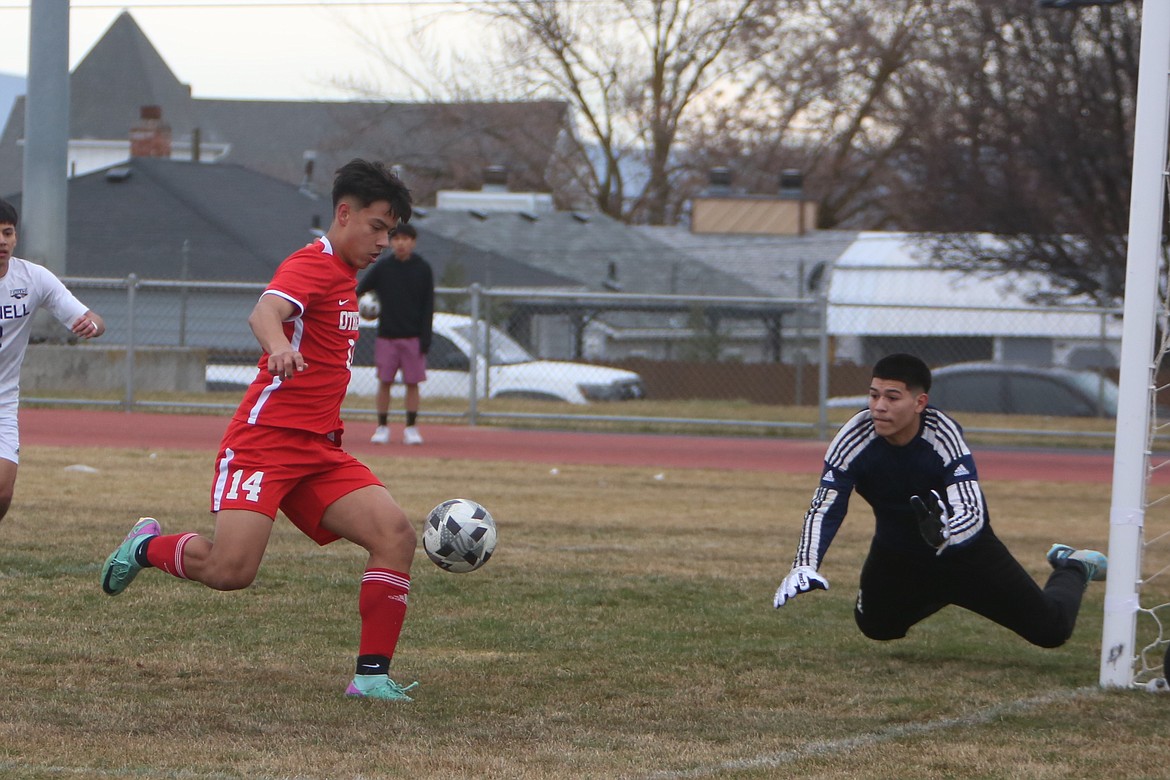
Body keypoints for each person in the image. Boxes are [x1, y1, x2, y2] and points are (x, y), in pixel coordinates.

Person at [100, 159, 420, 702]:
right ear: (344, 214)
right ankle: (147, 546)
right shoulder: (312, 264)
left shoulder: (346, 278)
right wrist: (279, 347)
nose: (384, 242)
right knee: (230, 571)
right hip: (265, 442)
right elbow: (265, 311)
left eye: (391, 232)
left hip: (318, 449)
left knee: (395, 536)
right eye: (377, 227)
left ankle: (369, 678)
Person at [772, 353, 1107, 649]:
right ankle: (940, 591)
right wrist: (805, 564)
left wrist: (948, 533)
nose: (879, 406)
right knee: (876, 627)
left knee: (1051, 631)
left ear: (920, 403)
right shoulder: (854, 437)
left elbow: (972, 509)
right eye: (874, 395)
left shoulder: (943, 435)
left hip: (968, 554)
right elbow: (826, 505)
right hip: (897, 553)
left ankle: (1074, 565)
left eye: (892, 397)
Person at [0, 198, 105, 524]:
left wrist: (93, 326)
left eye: (7, 233)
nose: (2, 241)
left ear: (16, 237)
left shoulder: (32, 279)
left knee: (3, 491)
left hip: (2, 402)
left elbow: (92, 318)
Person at [357, 222, 433, 446]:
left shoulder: (423, 268)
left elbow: (428, 304)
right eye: (396, 239)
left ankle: (411, 427)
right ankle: (382, 427)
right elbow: (360, 289)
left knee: (412, 383)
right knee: (385, 381)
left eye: (405, 239)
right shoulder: (383, 268)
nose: (400, 243)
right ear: (391, 242)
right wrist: (365, 306)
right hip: (387, 336)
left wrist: (425, 337)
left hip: (413, 337)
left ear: (413, 242)